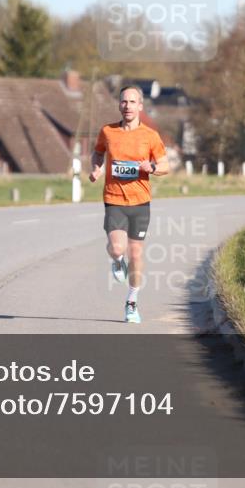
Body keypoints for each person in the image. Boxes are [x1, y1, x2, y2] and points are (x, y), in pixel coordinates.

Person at [89, 85, 169, 323]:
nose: (127, 106)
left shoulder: (150, 136)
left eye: (132, 102)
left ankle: (132, 301)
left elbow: (165, 166)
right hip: (114, 198)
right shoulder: (108, 131)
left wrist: (151, 168)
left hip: (141, 202)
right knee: (117, 248)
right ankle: (116, 261)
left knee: (136, 255)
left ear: (140, 106)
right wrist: (96, 168)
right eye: (124, 102)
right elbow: (97, 153)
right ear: (119, 105)